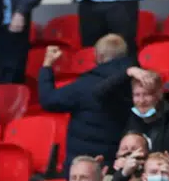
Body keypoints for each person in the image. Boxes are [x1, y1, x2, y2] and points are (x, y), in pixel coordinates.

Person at [39, 35, 133, 167]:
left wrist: (47, 65)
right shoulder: (133, 83)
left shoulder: (84, 85)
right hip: (117, 165)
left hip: (82, 166)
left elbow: (48, 100)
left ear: (98, 56)